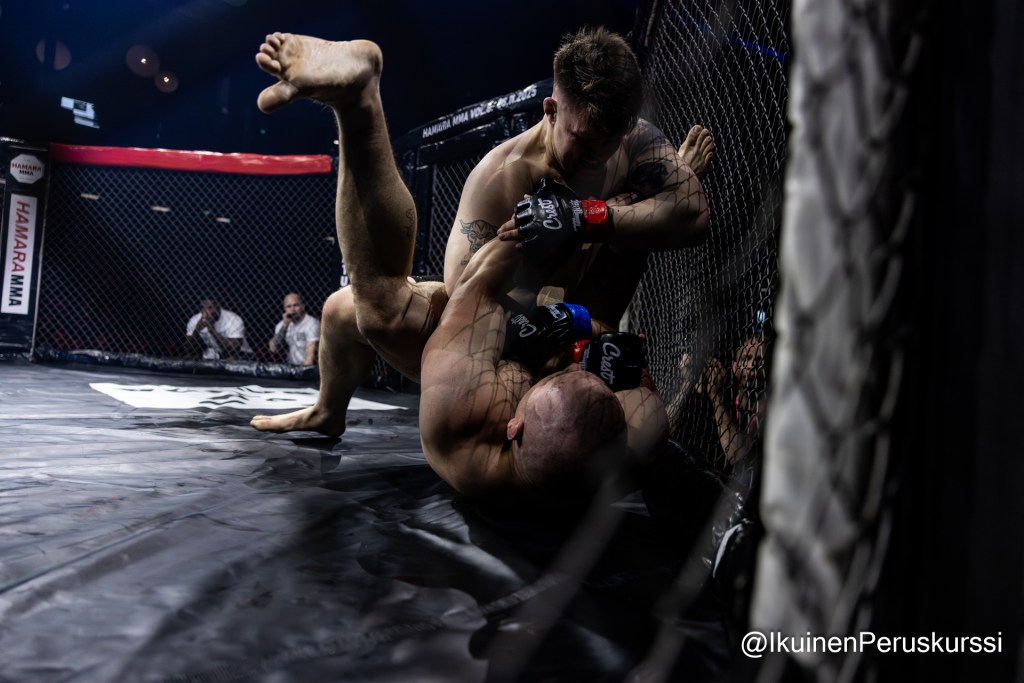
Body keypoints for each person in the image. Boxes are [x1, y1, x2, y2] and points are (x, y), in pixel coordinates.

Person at [248, 27, 713, 437]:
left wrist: (585, 217)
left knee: (636, 423)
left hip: (588, 350)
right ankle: (358, 103)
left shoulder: (634, 141)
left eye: (608, 141)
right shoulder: (503, 176)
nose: (596, 154)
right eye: (583, 139)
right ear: (551, 109)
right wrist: (630, 213)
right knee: (352, 309)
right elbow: (465, 307)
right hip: (503, 346)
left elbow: (693, 218)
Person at [420, 234, 668, 499]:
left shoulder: (457, 414)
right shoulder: (632, 454)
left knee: (406, 313)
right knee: (627, 247)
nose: (574, 368)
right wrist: (616, 354)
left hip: (490, 348)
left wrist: (540, 225)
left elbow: (476, 284)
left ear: (513, 427)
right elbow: (643, 392)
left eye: (559, 375)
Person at [185, 298, 252, 360]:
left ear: (218, 307)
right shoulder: (195, 320)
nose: (206, 311)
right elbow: (188, 347)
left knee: (231, 357)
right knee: (191, 356)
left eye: (210, 307)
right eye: (203, 307)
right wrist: (197, 329)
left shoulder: (233, 319)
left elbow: (232, 349)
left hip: (240, 354)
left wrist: (212, 330)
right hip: (213, 353)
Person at [268, 292, 320, 365]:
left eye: (295, 305)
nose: (292, 309)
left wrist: (305, 370)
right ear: (284, 309)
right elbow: (274, 349)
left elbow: (310, 356)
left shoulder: (312, 323)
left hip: (310, 367)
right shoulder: (282, 325)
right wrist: (285, 326)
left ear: (303, 306)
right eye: (288, 307)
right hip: (291, 366)